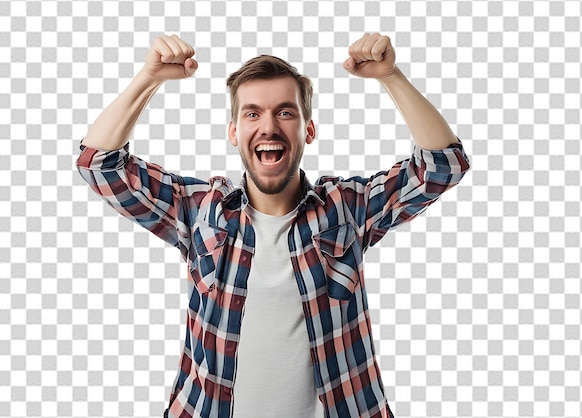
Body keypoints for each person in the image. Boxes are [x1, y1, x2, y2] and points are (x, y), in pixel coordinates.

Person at [77, 33, 470, 418]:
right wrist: (149, 79)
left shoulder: (347, 209)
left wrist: (391, 75)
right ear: (234, 133)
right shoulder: (200, 210)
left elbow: (442, 167)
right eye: (252, 113)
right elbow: (98, 165)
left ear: (308, 131)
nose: (268, 127)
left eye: (285, 112)